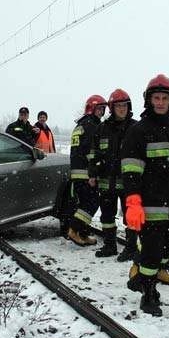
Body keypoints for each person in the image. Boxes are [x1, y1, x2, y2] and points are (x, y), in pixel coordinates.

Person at [121, 74, 169, 317]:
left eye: (165, 98)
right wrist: (133, 201)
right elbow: (131, 170)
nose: (161, 102)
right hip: (150, 202)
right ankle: (148, 292)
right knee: (152, 251)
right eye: (156, 98)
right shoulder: (139, 131)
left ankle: (142, 269)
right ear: (149, 100)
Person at [89, 89, 137, 259]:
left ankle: (131, 249)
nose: (122, 109)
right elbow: (94, 153)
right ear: (112, 108)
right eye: (118, 106)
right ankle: (110, 246)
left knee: (131, 217)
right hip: (106, 181)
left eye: (124, 105)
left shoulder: (135, 128)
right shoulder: (102, 128)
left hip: (128, 183)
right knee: (107, 216)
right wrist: (92, 174)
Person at [67, 95, 107, 246]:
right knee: (90, 204)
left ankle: (83, 234)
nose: (101, 112)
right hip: (86, 173)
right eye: (99, 109)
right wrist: (94, 172)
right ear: (92, 108)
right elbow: (91, 151)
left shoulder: (81, 125)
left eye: (103, 109)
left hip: (77, 172)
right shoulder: (92, 126)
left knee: (84, 203)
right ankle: (74, 230)